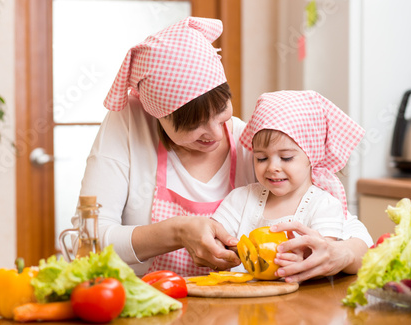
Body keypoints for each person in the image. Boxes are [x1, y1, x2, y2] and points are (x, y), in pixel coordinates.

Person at [75, 17, 372, 280]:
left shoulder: (254, 146)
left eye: (222, 111)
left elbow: (349, 228)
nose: (217, 134)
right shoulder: (130, 126)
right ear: (157, 115)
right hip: (148, 300)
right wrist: (176, 232)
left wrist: (340, 254)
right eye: (195, 125)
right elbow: (88, 241)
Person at [213, 91, 373, 280]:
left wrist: (304, 258)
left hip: (303, 304)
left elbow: (322, 256)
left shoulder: (324, 206)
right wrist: (226, 249)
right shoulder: (240, 199)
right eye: (261, 158)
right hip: (244, 305)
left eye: (286, 157)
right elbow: (215, 236)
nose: (272, 167)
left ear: (311, 155)